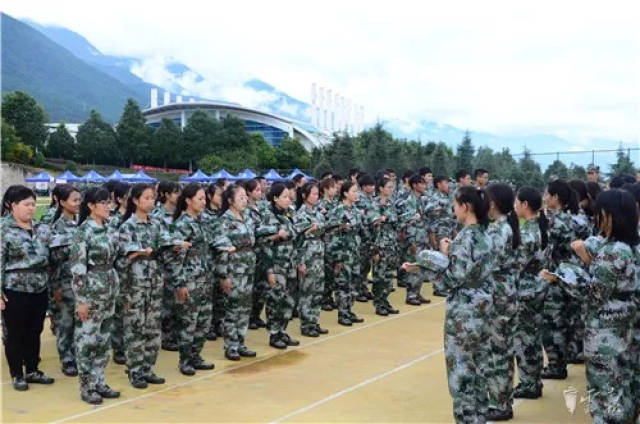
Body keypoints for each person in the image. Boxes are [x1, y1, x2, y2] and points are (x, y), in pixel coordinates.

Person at [541, 189, 639, 423]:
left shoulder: (614, 251)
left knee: (605, 397)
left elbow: (595, 294)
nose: (597, 219)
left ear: (611, 216)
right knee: (626, 391)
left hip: (606, 334)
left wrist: (563, 275)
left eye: (601, 214)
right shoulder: (630, 247)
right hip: (626, 328)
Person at [403, 186, 493, 424]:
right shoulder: (486, 234)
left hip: (464, 310)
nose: (453, 209)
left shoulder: (466, 237)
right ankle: (480, 415)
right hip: (483, 305)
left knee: (461, 368)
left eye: (455, 205)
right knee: (480, 365)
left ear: (466, 207)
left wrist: (439, 255)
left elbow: (454, 277)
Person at [117, 183, 182, 388]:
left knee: (153, 328)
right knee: (135, 328)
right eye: (146, 198)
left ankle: (147, 368)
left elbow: (164, 243)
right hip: (134, 284)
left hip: (154, 282)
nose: (151, 201)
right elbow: (122, 257)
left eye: (152, 198)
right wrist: (139, 252)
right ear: (135, 201)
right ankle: (135, 371)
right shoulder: (127, 226)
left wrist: (175, 245)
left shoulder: (156, 223)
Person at [68, 188, 121, 404]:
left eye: (109, 202)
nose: (109, 206)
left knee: (104, 340)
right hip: (91, 292)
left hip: (109, 291)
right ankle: (87, 386)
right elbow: (78, 268)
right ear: (91, 206)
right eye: (103, 203)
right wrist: (81, 300)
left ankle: (100, 381)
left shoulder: (109, 228)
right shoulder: (83, 232)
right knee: (87, 340)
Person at [1, 185, 55, 391]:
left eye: (33, 204)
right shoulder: (4, 229)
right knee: (15, 333)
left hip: (39, 288)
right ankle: (17, 374)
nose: (31, 208)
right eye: (26, 204)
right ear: (11, 205)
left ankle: (32, 370)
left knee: (35, 330)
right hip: (14, 290)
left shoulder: (41, 228)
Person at [484, 183, 520, 421]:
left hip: (498, 296)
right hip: (506, 293)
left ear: (494, 203)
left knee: (497, 351)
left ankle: (499, 403)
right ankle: (502, 400)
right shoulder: (507, 226)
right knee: (503, 350)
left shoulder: (499, 230)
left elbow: (487, 261)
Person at [170, 184, 215, 375]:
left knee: (204, 321)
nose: (204, 202)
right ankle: (185, 360)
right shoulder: (181, 224)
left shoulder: (203, 221)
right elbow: (176, 257)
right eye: (200, 199)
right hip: (189, 279)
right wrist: (180, 283)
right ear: (188, 201)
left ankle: (196, 355)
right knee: (188, 321)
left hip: (204, 278)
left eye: (205, 199)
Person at [512, 187, 549, 399]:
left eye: (517, 202)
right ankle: (533, 380)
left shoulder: (527, 234)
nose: (515, 206)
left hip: (525, 290)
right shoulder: (542, 227)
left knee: (524, 339)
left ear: (525, 205)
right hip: (537, 286)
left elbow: (517, 264)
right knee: (532, 337)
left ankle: (529, 383)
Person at [541, 179, 580, 380]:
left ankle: (556, 365)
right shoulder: (570, 218)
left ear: (555, 197)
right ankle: (564, 358)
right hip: (570, 276)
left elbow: (546, 253)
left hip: (557, 278)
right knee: (566, 321)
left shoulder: (555, 222)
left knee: (551, 323)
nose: (545, 198)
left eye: (547, 194)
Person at [215, 184, 257, 360]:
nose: (244, 200)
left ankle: (240, 342)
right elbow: (221, 249)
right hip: (233, 270)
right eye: (240, 197)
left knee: (245, 307)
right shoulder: (224, 221)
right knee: (232, 309)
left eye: (245, 197)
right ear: (230, 201)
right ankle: (231, 345)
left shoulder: (247, 217)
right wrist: (224, 275)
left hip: (247, 269)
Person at [48, 184, 81, 377]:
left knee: (80, 322)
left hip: (81, 283)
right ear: (61, 202)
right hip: (65, 283)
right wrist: (56, 287)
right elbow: (53, 262)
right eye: (74, 200)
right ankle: (67, 360)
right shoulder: (57, 227)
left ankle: (78, 355)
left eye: (79, 200)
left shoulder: (81, 223)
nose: (78, 203)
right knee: (65, 323)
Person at [261, 183, 299, 348]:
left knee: (289, 300)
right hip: (277, 265)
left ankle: (282, 330)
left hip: (289, 263)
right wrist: (276, 236)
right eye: (284, 196)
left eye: (288, 196)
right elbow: (263, 242)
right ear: (275, 198)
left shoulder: (289, 213)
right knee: (276, 299)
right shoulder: (268, 216)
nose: (288, 199)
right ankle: (274, 333)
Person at [326, 181, 365, 326]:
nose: (356, 194)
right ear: (345, 193)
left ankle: (349, 309)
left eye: (357, 191)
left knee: (354, 284)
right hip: (342, 255)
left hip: (354, 254)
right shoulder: (338, 211)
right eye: (354, 191)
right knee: (343, 285)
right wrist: (336, 259)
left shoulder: (355, 210)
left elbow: (360, 231)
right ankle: (342, 313)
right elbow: (330, 235)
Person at [293, 182, 328, 337]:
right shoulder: (300, 214)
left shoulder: (318, 213)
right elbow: (297, 240)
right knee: (307, 291)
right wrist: (299, 262)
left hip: (318, 255)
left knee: (318, 290)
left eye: (317, 194)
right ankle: (306, 324)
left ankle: (314, 320)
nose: (316, 197)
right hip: (307, 256)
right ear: (304, 195)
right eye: (313, 194)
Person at [152, 181, 183, 352]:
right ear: (165, 195)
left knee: (177, 301)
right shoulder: (157, 215)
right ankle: (165, 336)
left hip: (179, 263)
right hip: (164, 264)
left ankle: (172, 334)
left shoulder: (181, 215)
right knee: (166, 302)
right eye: (175, 192)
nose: (179, 196)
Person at [396, 175, 429, 305]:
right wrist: (411, 242)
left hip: (422, 237)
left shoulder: (420, 200)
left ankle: (417, 292)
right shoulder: (409, 201)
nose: (424, 186)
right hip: (414, 238)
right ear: (414, 185)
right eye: (421, 184)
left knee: (421, 267)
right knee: (413, 267)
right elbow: (406, 222)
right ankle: (411, 295)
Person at [371, 177, 399, 316]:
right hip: (379, 245)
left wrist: (387, 219)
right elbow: (373, 224)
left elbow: (395, 221)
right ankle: (378, 303)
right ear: (381, 188)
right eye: (388, 187)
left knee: (388, 276)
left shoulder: (391, 203)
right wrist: (374, 249)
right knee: (379, 276)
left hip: (391, 244)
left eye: (392, 187)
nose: (391, 189)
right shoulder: (374, 204)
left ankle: (385, 300)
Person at [202, 181, 226, 340]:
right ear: (209, 196)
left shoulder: (224, 214)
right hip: (210, 259)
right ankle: (209, 326)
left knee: (222, 294)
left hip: (223, 259)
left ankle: (219, 323)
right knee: (209, 294)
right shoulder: (204, 216)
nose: (222, 197)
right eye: (219, 194)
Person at [424, 175, 455, 296]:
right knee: (439, 260)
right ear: (438, 185)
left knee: (446, 260)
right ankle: (438, 287)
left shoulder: (447, 197)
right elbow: (430, 217)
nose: (448, 185)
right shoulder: (435, 198)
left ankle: (443, 285)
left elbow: (450, 217)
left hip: (447, 232)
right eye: (445, 183)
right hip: (438, 234)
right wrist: (432, 236)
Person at [354, 174, 379, 302]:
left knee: (366, 265)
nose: (373, 187)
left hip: (370, 234)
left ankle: (363, 288)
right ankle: (357, 290)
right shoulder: (358, 199)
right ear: (364, 187)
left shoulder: (371, 199)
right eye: (370, 185)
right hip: (361, 235)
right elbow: (359, 216)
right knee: (361, 264)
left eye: (374, 185)